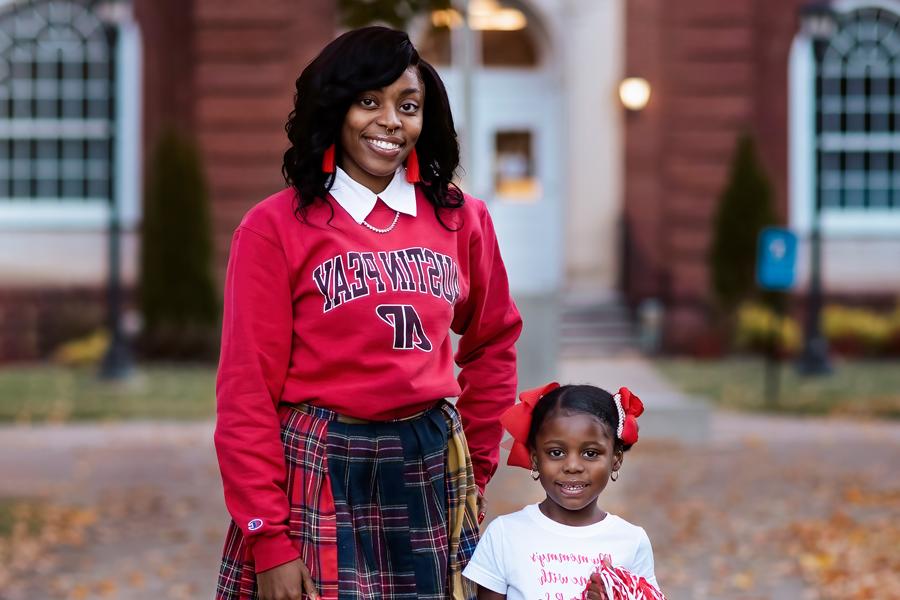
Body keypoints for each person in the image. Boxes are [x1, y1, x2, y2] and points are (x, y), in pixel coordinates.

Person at [214, 26, 522, 600]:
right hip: (321, 466)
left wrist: (476, 466)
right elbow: (245, 389)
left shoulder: (462, 218)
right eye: (369, 102)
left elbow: (493, 342)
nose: (390, 121)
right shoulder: (275, 227)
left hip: (430, 467)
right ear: (336, 108)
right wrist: (269, 537)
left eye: (408, 106)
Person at [462, 383, 665, 600]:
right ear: (534, 457)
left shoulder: (631, 541)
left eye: (590, 453)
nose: (572, 466)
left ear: (616, 458)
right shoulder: (504, 535)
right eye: (556, 452)